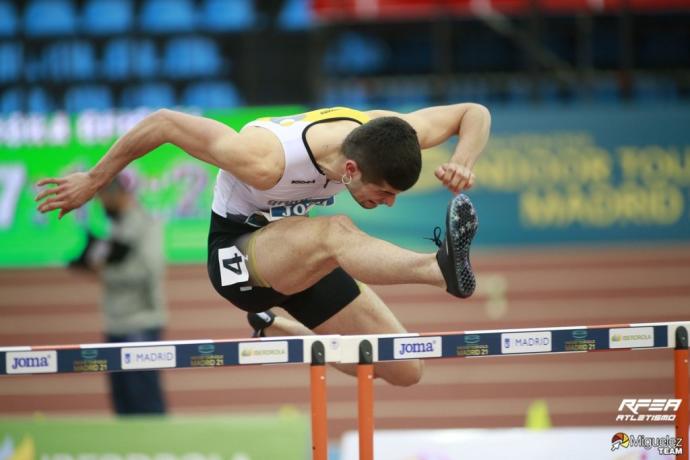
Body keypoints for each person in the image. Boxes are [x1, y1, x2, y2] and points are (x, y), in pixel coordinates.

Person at [36, 104, 491, 387]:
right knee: (335, 232)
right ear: (350, 169)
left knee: (404, 368)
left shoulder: (382, 133)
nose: (388, 204)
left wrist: (461, 161)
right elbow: (164, 123)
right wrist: (95, 180)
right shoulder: (264, 160)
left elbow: (474, 112)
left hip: (298, 256)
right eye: (384, 193)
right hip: (236, 257)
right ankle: (439, 269)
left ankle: (280, 325)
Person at [68, 173, 168, 414]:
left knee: (145, 400)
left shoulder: (147, 224)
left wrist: (104, 272)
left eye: (103, 197)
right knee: (122, 402)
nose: (101, 204)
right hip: (115, 322)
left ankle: (157, 451)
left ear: (118, 194)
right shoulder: (115, 225)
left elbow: (149, 270)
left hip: (140, 323)